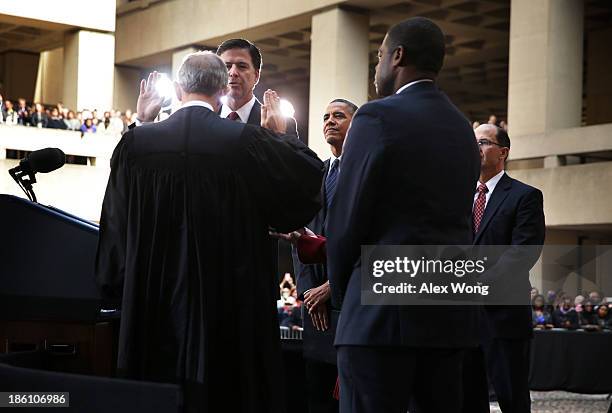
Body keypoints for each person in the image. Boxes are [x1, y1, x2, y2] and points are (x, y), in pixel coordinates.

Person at [95, 51, 323, 412]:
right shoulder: (245, 143)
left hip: (154, 310)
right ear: (222, 89)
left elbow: (117, 226)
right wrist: (282, 138)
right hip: (226, 313)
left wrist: (142, 121)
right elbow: (305, 189)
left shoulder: (136, 146)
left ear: (180, 87)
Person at [325, 17, 480, 413]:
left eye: (378, 57)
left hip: (378, 321)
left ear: (397, 56)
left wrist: (345, 295)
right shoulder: (463, 128)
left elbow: (346, 221)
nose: (376, 68)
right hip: (446, 319)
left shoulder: (376, 117)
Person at [462, 124, 545, 413]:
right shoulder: (457, 199)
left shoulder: (524, 196)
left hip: (504, 318)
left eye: (483, 142)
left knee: (512, 399)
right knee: (467, 399)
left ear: (503, 152)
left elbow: (522, 253)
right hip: (462, 319)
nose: (476, 148)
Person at [215, 38, 298, 135]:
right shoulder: (203, 120)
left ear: (256, 75)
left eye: (242, 66)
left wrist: (277, 135)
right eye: (227, 66)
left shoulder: (283, 124)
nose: (233, 73)